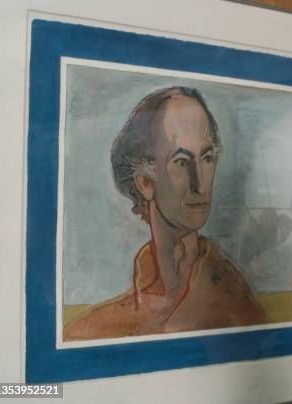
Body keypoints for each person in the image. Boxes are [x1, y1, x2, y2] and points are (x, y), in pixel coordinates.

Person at [63, 86, 268, 341]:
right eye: (181, 162)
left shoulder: (235, 303)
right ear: (146, 183)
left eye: (206, 158)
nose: (200, 184)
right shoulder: (91, 330)